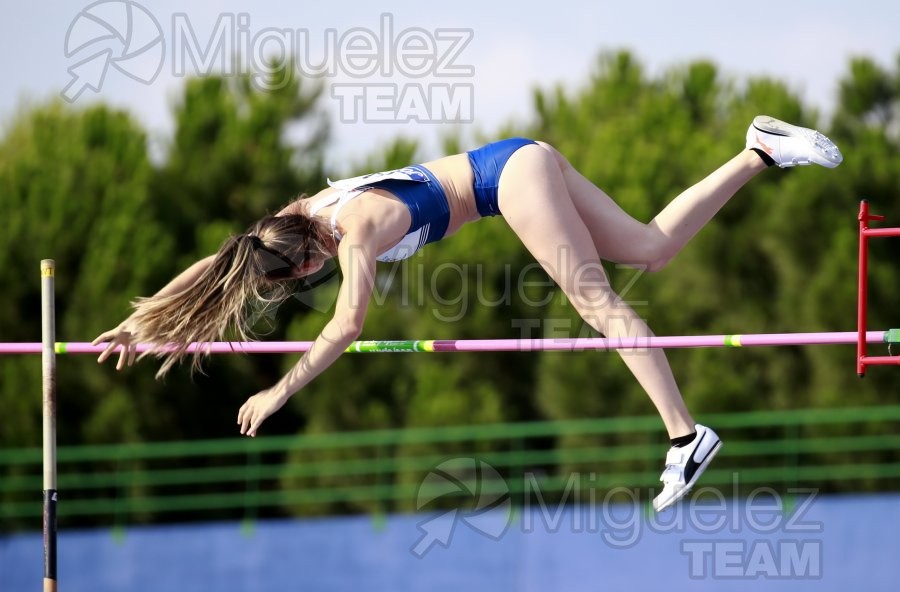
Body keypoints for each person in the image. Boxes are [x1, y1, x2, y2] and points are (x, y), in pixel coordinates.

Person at [93, 116, 843, 511]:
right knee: (650, 249)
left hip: (505, 180)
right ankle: (759, 152)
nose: (308, 279)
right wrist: (146, 325)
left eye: (301, 277)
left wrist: (277, 391)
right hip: (513, 161)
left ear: (309, 259)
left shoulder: (354, 233)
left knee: (596, 301)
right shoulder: (296, 221)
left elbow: (344, 328)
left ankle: (685, 436)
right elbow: (221, 265)